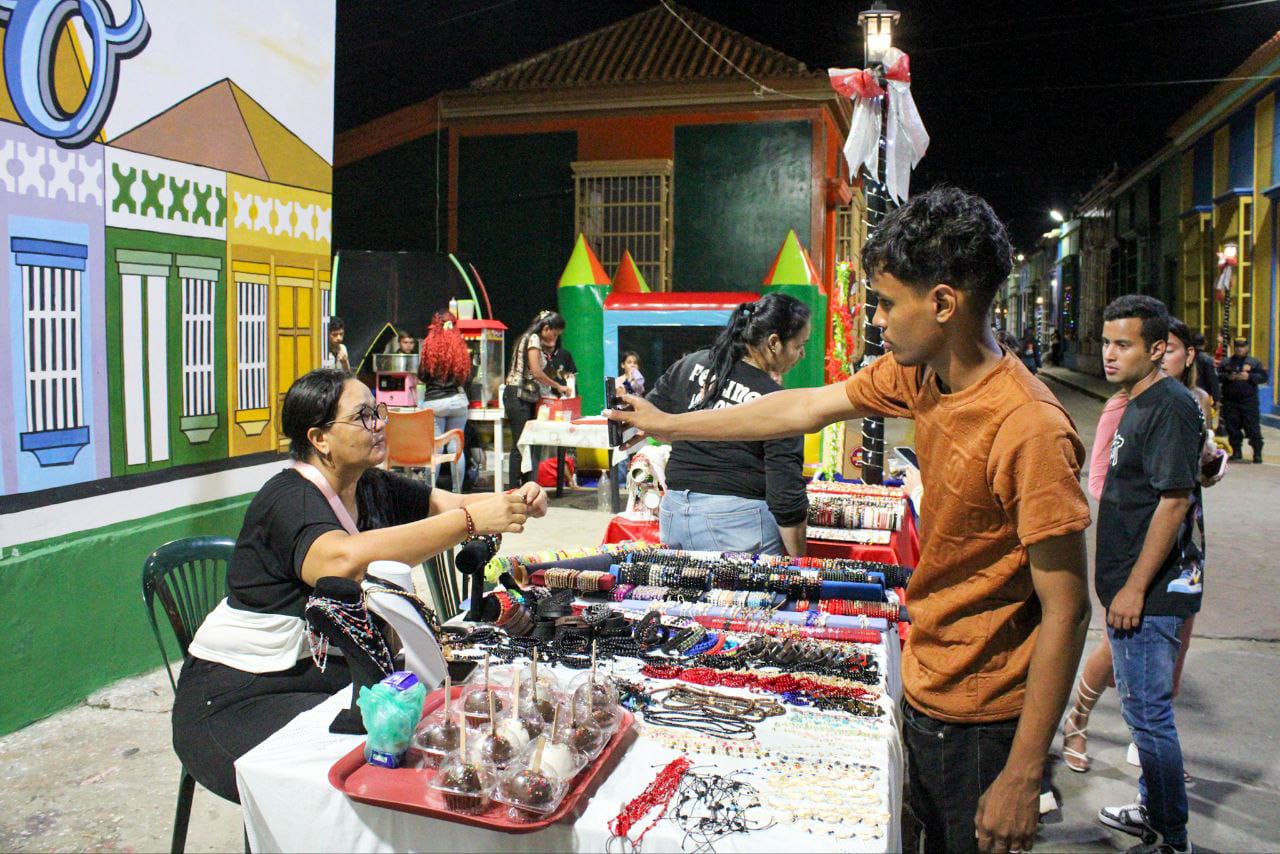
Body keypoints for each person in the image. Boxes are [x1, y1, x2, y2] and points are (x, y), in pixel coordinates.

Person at [610, 186, 1093, 854]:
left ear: (944, 304)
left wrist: (1023, 772)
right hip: (925, 681)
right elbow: (800, 408)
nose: (880, 320)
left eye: (890, 303)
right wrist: (671, 424)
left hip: (985, 720)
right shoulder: (924, 378)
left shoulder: (1029, 428)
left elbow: (1067, 610)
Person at [171, 369, 546, 803]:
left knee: (419, 737)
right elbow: (341, 561)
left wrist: (517, 500)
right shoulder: (288, 499)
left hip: (325, 676)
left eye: (378, 412)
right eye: (363, 416)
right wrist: (470, 523)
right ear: (320, 438)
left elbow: (449, 504)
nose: (379, 424)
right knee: (357, 772)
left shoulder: (369, 486)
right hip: (239, 694)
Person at [1062, 316, 1223, 777]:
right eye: (1108, 344)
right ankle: (1082, 722)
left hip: (1184, 545)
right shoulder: (1124, 405)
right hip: (1143, 551)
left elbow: (1191, 483)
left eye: (1173, 349)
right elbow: (1101, 481)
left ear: (1184, 355)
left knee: (1173, 648)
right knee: (1121, 649)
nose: (1112, 354)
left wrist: (1206, 470)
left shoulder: (1192, 403)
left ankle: (1154, 772)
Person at [1091, 295, 1201, 854]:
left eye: (1123, 344)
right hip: (1128, 586)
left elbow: (1174, 501)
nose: (1109, 354)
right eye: (1107, 342)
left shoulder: (1170, 406)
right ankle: (1152, 808)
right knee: (1140, 711)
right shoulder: (1136, 400)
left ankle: (1171, 836)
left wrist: (1133, 587)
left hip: (1150, 593)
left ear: (1157, 349)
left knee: (1150, 716)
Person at [644, 293, 811, 556]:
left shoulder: (691, 364)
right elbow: (786, 496)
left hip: (674, 513)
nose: (802, 354)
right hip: (736, 524)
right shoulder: (777, 402)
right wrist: (800, 563)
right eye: (800, 345)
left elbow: (651, 417)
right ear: (774, 343)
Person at [502, 310, 571, 486]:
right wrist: (558, 386)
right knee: (520, 444)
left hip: (524, 396)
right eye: (554, 334)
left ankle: (528, 486)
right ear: (546, 328)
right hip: (518, 396)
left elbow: (544, 369)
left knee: (529, 442)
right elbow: (536, 371)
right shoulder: (533, 338)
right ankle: (514, 490)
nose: (555, 337)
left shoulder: (529, 339)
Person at [418, 311, 471, 491]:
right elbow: (464, 377)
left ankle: (428, 493)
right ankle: (457, 493)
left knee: (436, 449)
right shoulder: (460, 346)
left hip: (435, 403)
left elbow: (422, 375)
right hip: (457, 401)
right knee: (456, 449)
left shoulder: (429, 345)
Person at [1217, 336, 1268, 463]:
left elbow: (1263, 377)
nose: (1240, 349)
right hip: (1230, 401)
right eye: (1238, 347)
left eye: (1243, 346)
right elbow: (1218, 376)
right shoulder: (1227, 362)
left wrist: (1249, 376)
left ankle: (1257, 453)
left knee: (1252, 428)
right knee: (1232, 427)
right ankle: (1236, 451)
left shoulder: (1254, 362)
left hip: (1248, 401)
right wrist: (1228, 377)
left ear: (1247, 347)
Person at [1189, 332, 1220, 411]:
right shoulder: (1207, 359)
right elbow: (1212, 379)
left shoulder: (1187, 357)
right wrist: (1216, 398)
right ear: (1204, 343)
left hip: (1188, 392)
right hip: (1202, 393)